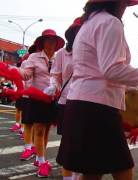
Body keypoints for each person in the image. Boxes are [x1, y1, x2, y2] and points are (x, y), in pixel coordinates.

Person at [56, 0, 138, 179]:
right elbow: (112, 70)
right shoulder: (110, 22)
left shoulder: (89, 23)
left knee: (91, 172)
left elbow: (102, 69)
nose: (125, 8)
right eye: (125, 3)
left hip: (81, 103)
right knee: (122, 169)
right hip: (98, 107)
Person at [18, 29, 65, 177]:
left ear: (57, 43)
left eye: (53, 40)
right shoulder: (34, 57)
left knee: (45, 131)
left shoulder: (59, 58)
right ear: (42, 42)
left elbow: (61, 77)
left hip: (52, 100)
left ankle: (40, 158)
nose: (50, 42)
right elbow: (26, 74)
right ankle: (42, 162)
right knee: (38, 129)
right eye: (47, 39)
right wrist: (12, 71)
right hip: (37, 99)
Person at [45, 17, 81, 180]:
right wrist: (54, 85)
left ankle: (78, 175)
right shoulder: (62, 54)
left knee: (83, 143)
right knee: (68, 143)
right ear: (71, 34)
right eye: (77, 31)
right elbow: (55, 74)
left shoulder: (94, 50)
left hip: (87, 103)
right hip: (67, 102)